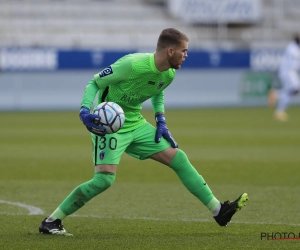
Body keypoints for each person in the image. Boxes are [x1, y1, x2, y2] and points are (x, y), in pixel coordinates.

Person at [39, 28, 248, 236]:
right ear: (170, 51)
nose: (186, 55)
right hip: (109, 125)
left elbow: (158, 89)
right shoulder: (132, 64)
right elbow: (95, 82)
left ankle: (218, 210)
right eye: (183, 50)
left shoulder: (170, 73)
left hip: (136, 123)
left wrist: (161, 120)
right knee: (103, 180)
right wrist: (85, 111)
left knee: (179, 158)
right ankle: (52, 221)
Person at [268, 35, 300, 121]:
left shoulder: (293, 47)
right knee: (294, 89)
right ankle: (277, 97)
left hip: (288, 71)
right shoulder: (293, 49)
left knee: (289, 91)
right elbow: (293, 63)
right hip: (288, 71)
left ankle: (279, 110)